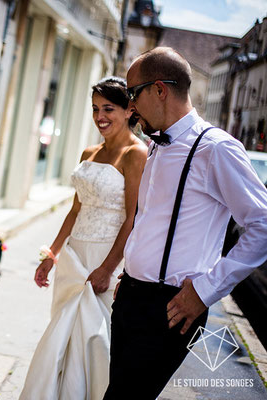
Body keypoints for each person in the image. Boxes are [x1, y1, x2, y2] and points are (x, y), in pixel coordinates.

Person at [104, 47, 267, 399]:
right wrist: (132, 272)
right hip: (131, 297)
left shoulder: (216, 148)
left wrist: (206, 291)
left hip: (171, 309)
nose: (129, 107)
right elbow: (150, 219)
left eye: (133, 94)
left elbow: (262, 225)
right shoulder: (158, 145)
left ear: (160, 90)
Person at [19, 77, 147, 400]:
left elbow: (132, 219)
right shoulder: (89, 152)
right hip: (74, 260)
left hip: (105, 260)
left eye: (108, 108)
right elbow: (75, 211)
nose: (99, 116)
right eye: (94, 109)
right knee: (59, 339)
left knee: (94, 341)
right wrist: (52, 255)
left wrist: (107, 269)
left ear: (130, 109)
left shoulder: (136, 155)